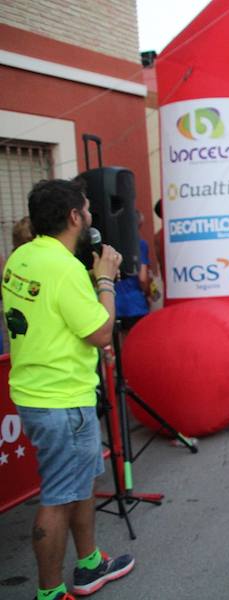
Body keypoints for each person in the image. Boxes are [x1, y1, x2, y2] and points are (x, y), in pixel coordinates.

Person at [3, 179, 134, 600]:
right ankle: (50, 591)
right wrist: (106, 279)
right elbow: (100, 331)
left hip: (42, 391)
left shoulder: (22, 255)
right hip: (61, 400)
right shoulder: (65, 269)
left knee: (80, 482)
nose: (92, 214)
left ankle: (90, 562)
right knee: (58, 497)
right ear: (76, 217)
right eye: (88, 208)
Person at [114, 210, 151, 335]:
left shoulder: (112, 243)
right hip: (135, 304)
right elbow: (142, 278)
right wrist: (147, 294)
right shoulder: (140, 244)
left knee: (120, 346)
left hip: (115, 303)